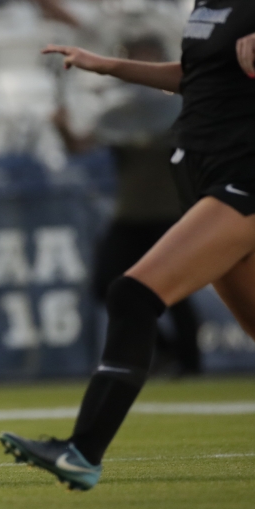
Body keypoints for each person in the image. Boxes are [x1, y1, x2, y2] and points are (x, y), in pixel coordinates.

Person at [0, 0, 255, 491]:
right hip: (207, 175)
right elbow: (194, 78)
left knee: (133, 293)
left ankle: (82, 451)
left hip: (246, 179)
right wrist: (106, 66)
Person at [51, 36, 201, 375]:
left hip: (169, 214)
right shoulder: (121, 112)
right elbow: (80, 146)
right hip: (131, 213)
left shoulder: (177, 105)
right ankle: (164, 350)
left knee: (175, 293)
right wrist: (62, 128)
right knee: (107, 283)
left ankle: (191, 366)